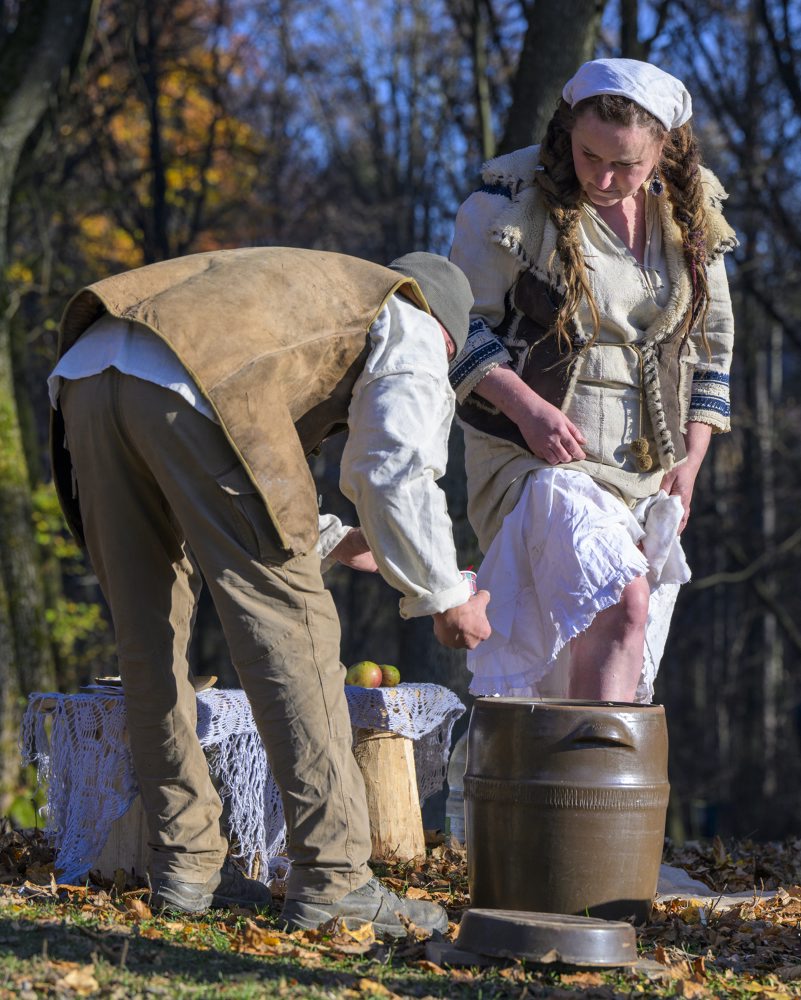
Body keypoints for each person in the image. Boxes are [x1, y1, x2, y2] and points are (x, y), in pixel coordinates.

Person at [47, 246, 491, 935]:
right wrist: (444, 594)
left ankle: (185, 864)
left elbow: (243, 430)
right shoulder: (406, 315)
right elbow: (391, 468)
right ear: (447, 333)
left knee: (147, 635)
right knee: (292, 629)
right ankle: (334, 878)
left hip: (89, 370)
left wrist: (333, 537)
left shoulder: (307, 288)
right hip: (188, 377)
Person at [448, 58, 736, 703]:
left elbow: (713, 352)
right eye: (588, 155)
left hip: (646, 470)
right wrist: (525, 410)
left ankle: (581, 793)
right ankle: (584, 776)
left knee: (609, 639)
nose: (603, 178)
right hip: (536, 458)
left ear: (664, 150)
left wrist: (691, 459)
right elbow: (454, 326)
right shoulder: (510, 200)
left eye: (626, 164)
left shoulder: (692, 217)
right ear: (567, 132)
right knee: (621, 600)